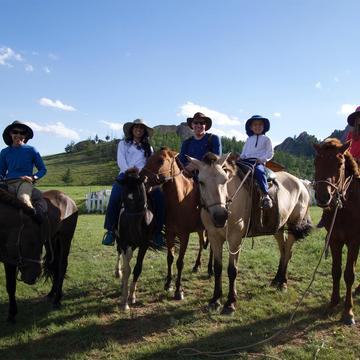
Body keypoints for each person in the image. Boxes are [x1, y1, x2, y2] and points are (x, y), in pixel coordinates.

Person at [102, 118, 165, 246]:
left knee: (159, 197)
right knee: (114, 197)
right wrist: (128, 170)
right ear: (132, 129)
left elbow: (150, 164)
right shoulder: (123, 144)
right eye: (136, 127)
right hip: (125, 176)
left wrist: (141, 172)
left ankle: (158, 232)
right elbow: (121, 160)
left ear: (144, 132)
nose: (139, 130)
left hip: (142, 178)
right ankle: (110, 231)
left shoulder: (149, 148)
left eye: (141, 128)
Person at [0, 121, 47, 220]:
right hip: (8, 182)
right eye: (15, 132)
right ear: (10, 134)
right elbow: (1, 172)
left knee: (23, 199)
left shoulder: (31, 150)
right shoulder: (4, 152)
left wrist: (33, 177)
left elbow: (43, 169)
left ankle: (34, 220)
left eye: (22, 133)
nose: (18, 135)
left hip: (24, 182)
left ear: (25, 136)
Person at [239, 115, 274, 209]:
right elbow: (244, 153)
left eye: (260, 124)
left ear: (264, 127)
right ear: (251, 127)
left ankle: (266, 195)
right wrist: (240, 158)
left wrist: (262, 159)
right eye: (255, 125)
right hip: (245, 161)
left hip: (258, 162)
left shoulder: (266, 139)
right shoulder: (248, 139)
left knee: (260, 172)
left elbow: (269, 153)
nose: (257, 127)